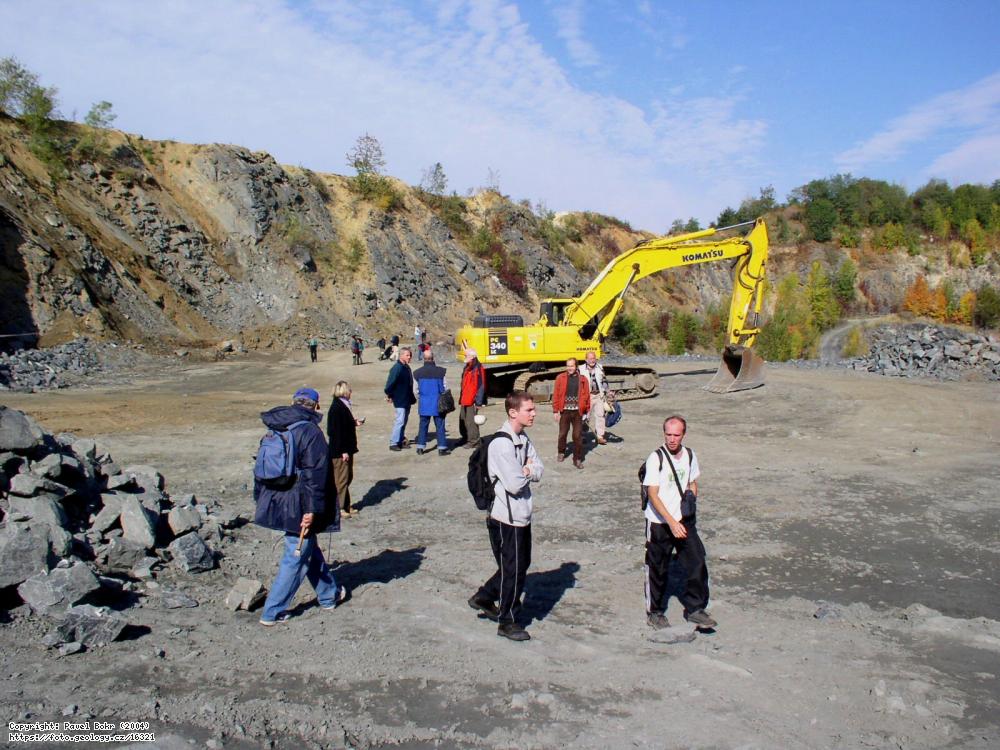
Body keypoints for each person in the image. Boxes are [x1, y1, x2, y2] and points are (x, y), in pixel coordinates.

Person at [254, 387, 346, 625]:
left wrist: (260, 498)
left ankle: (329, 595)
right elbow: (316, 475)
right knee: (296, 554)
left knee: (306, 548)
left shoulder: (276, 427)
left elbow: (260, 467)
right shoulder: (310, 431)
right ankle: (272, 612)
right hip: (299, 503)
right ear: (316, 405)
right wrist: (311, 510)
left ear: (293, 402)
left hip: (276, 498)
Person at [468, 390, 544, 641]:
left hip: (521, 513)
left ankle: (485, 596)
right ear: (513, 412)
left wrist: (528, 470)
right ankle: (507, 621)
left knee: (520, 564)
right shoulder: (502, 445)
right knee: (513, 569)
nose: (534, 414)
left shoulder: (522, 437)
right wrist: (527, 471)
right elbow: (514, 484)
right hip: (505, 517)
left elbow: (539, 467)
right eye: (529, 410)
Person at [641, 415, 716, 630]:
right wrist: (671, 522)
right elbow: (653, 494)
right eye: (668, 434)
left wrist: (690, 502)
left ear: (684, 434)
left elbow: (692, 482)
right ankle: (655, 612)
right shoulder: (656, 458)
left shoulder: (690, 455)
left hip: (684, 521)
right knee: (657, 567)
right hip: (659, 522)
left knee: (697, 561)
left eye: (676, 435)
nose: (672, 439)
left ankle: (695, 609)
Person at [327, 380, 362, 517]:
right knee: (341, 479)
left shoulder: (343, 405)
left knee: (347, 477)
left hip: (346, 448)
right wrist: (343, 451)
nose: (351, 392)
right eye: (349, 389)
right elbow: (334, 431)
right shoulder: (337, 408)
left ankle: (346, 505)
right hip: (340, 450)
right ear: (344, 391)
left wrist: (353, 423)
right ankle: (339, 508)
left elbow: (343, 425)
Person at [552, 357, 590, 469]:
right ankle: (561, 451)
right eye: (568, 366)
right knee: (563, 433)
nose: (569, 368)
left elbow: (587, 396)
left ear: (576, 366)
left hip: (578, 412)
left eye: (572, 366)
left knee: (577, 436)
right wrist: (555, 410)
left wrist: (587, 411)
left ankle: (577, 459)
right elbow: (556, 394)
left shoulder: (583, 379)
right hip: (565, 411)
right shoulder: (560, 378)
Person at [413, 350, 450, 456]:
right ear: (433, 358)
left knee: (423, 426)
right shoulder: (441, 372)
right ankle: (442, 448)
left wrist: (421, 397)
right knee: (440, 425)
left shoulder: (417, 373)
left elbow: (415, 390)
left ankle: (420, 447)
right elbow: (445, 387)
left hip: (424, 403)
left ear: (423, 358)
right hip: (438, 403)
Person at [384, 346, 416, 451]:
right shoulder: (397, 368)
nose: (409, 357)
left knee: (404, 421)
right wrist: (390, 395)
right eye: (407, 355)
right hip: (400, 399)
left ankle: (400, 440)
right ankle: (393, 443)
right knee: (400, 421)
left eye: (410, 355)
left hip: (407, 399)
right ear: (401, 355)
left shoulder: (406, 367)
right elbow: (389, 384)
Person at [582, 350, 612, 445]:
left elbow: (604, 381)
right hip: (587, 396)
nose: (592, 360)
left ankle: (600, 436)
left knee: (600, 415)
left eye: (593, 358)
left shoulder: (600, 367)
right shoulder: (580, 369)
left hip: (599, 395)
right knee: (585, 417)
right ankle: (582, 435)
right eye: (590, 358)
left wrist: (608, 392)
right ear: (586, 359)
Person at [459, 348, 487, 448]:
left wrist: (479, 402)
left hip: (472, 400)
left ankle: (474, 441)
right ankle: (465, 438)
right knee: (463, 419)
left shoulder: (479, 368)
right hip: (464, 398)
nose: (466, 358)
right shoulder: (467, 367)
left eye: (467, 356)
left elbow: (481, 386)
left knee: (471, 422)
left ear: (473, 357)